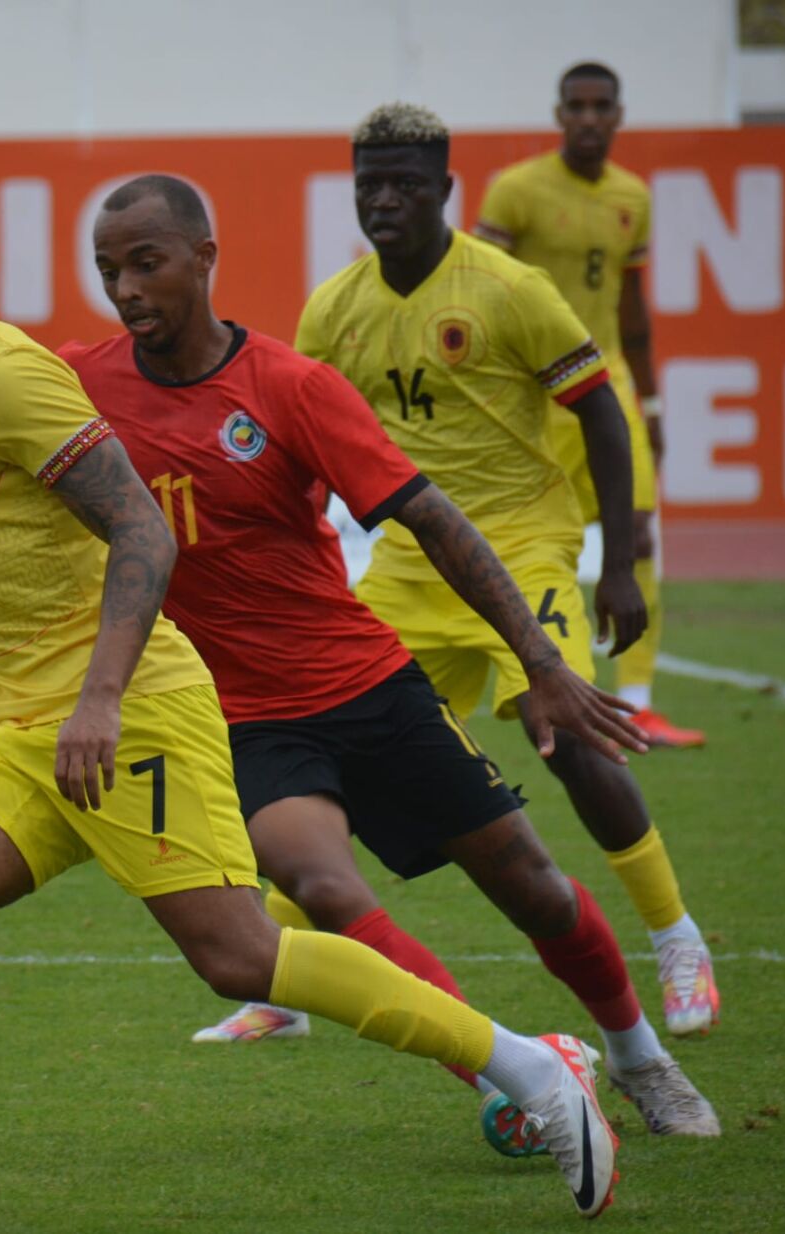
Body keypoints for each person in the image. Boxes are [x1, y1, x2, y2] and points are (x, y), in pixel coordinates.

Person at [0, 140, 620, 1225]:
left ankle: (533, 1072)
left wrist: (100, 697)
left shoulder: (1, 374)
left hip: (126, 712)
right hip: (30, 736)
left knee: (240, 956)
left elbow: (140, 525)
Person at [65, 174, 717, 1148]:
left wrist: (539, 659)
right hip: (245, 719)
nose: (125, 288)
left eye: (145, 263)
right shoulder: (83, 382)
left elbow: (434, 519)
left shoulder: (287, 385)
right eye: (108, 269)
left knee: (531, 885)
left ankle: (636, 1056)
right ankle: (517, 1071)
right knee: (322, 890)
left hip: (368, 683)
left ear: (203, 258)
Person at [296, 102, 719, 1039]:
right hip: (409, 564)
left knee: (565, 734)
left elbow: (602, 414)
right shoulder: (334, 308)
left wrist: (615, 563)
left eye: (406, 182)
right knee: (330, 750)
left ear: (446, 189)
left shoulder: (509, 289)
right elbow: (300, 440)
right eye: (371, 182)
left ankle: (676, 936)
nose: (385, 199)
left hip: (521, 545)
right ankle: (281, 986)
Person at [474, 62, 701, 749]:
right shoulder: (517, 191)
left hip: (610, 394)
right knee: (521, 539)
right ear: (559, 113)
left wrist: (655, 406)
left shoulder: (633, 196)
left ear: (619, 115)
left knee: (636, 537)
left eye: (602, 106)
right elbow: (482, 294)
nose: (590, 118)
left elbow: (633, 315)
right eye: (577, 106)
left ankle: (636, 702)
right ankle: (526, 675)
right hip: (537, 397)